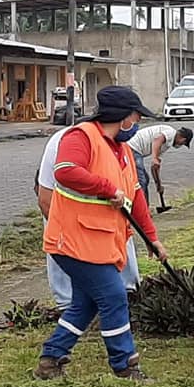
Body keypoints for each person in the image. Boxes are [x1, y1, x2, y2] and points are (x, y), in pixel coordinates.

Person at [34, 86, 168, 383]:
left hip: (101, 242)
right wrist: (107, 189)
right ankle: (125, 365)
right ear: (124, 118)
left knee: (86, 304)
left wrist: (152, 239)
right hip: (72, 241)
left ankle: (51, 359)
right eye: (136, 117)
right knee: (114, 296)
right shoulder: (80, 137)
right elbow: (66, 171)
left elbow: (136, 198)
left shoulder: (123, 151)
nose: (138, 124)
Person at [36, 126, 141, 310]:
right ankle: (67, 303)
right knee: (90, 301)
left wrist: (150, 237)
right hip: (68, 225)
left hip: (107, 218)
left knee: (107, 296)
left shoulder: (121, 145)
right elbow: (46, 200)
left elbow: (134, 195)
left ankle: (127, 291)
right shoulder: (62, 143)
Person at [126, 124, 193, 206]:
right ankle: (140, 208)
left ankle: (145, 207)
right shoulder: (171, 132)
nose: (180, 145)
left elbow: (155, 167)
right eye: (183, 143)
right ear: (183, 139)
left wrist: (158, 185)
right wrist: (154, 158)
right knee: (141, 180)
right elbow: (157, 139)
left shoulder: (165, 145)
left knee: (145, 179)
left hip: (135, 150)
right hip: (132, 147)